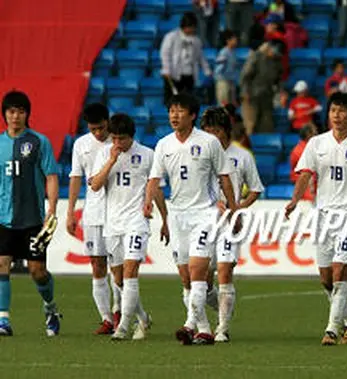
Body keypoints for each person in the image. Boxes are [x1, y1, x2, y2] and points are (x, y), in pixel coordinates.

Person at [285, 92, 347, 346]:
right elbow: (305, 175)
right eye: (333, 111)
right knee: (326, 279)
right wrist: (295, 200)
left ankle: (332, 329)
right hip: (323, 214)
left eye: (341, 111)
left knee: (340, 270)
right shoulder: (316, 144)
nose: (337, 116)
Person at [144, 93, 236, 345]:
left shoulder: (209, 143)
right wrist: (147, 202)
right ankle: (204, 329)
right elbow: (154, 179)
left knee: (197, 271)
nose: (174, 115)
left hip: (205, 214)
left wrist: (233, 210)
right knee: (186, 278)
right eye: (171, 110)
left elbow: (225, 177)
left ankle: (189, 323)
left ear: (192, 115)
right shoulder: (163, 144)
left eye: (180, 110)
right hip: (178, 216)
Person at [90, 114, 163, 340]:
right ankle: (142, 317)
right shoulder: (104, 153)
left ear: (132, 136)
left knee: (131, 272)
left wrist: (165, 218)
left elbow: (156, 187)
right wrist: (111, 161)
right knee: (119, 279)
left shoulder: (148, 155)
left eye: (122, 139)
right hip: (112, 223)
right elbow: (94, 185)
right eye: (114, 138)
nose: (118, 143)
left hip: (137, 221)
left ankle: (122, 326)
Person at [0, 91, 62, 336]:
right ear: (4, 114)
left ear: (27, 114)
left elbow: (51, 176)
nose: (16, 116)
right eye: (11, 111)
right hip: (3, 218)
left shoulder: (39, 142)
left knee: (37, 271)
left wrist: (53, 209)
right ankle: (3, 319)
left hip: (33, 219)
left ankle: (50, 308)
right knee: (1, 263)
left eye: (21, 111)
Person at [201, 106, 264, 342]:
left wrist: (237, 208)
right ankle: (224, 307)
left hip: (229, 224)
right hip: (203, 222)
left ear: (226, 131)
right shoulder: (201, 154)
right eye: (207, 131)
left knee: (225, 271)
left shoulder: (242, 156)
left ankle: (222, 329)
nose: (212, 136)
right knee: (201, 281)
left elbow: (256, 189)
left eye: (216, 131)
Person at [67, 103, 122, 335]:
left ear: (108, 122)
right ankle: (107, 318)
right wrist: (70, 211)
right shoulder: (81, 144)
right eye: (93, 129)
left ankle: (121, 311)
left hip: (118, 212)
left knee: (118, 267)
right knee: (97, 265)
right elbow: (76, 177)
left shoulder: (119, 143)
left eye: (101, 128)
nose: (98, 133)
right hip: (93, 212)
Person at [160, 12, 213, 106]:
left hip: (189, 76)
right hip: (173, 75)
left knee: (186, 103)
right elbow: (165, 53)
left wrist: (207, 71)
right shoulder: (171, 37)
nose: (191, 29)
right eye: (190, 27)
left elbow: (200, 57)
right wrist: (166, 68)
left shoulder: (196, 40)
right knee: (172, 102)